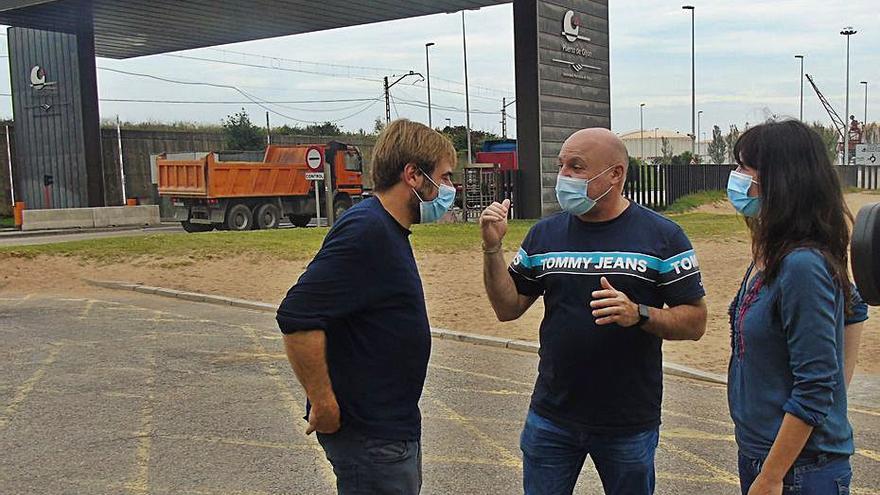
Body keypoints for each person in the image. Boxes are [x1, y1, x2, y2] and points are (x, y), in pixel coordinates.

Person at [480, 128, 708, 495]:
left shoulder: (663, 237)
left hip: (627, 424)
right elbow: (507, 308)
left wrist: (640, 313)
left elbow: (696, 321)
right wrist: (492, 250)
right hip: (552, 417)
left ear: (615, 174)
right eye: (562, 166)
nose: (564, 177)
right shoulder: (544, 235)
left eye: (577, 167)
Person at [276, 119, 456, 495]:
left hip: (390, 429)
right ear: (413, 175)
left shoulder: (387, 228)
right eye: (445, 177)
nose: (449, 189)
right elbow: (297, 317)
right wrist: (322, 401)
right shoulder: (366, 230)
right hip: (371, 437)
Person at [726, 119, 870, 495]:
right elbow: (853, 308)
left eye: (744, 167)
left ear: (781, 179)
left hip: (800, 471)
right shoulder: (772, 253)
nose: (736, 178)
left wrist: (772, 475)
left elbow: (816, 382)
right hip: (765, 456)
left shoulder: (802, 265)